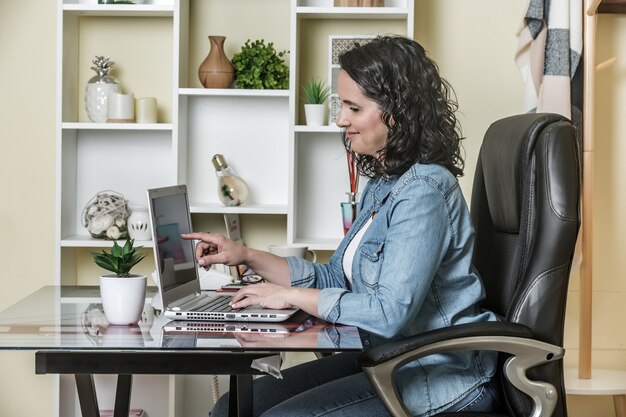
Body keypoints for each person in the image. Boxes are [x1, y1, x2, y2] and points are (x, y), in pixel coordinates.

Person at [182, 35, 500, 417]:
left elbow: (389, 312)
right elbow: (335, 277)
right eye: (341, 105)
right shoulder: (385, 182)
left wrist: (291, 297)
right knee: (231, 407)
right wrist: (245, 255)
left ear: (397, 112)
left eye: (353, 107)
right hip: (389, 357)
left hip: (437, 371)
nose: (339, 120)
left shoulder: (424, 192)